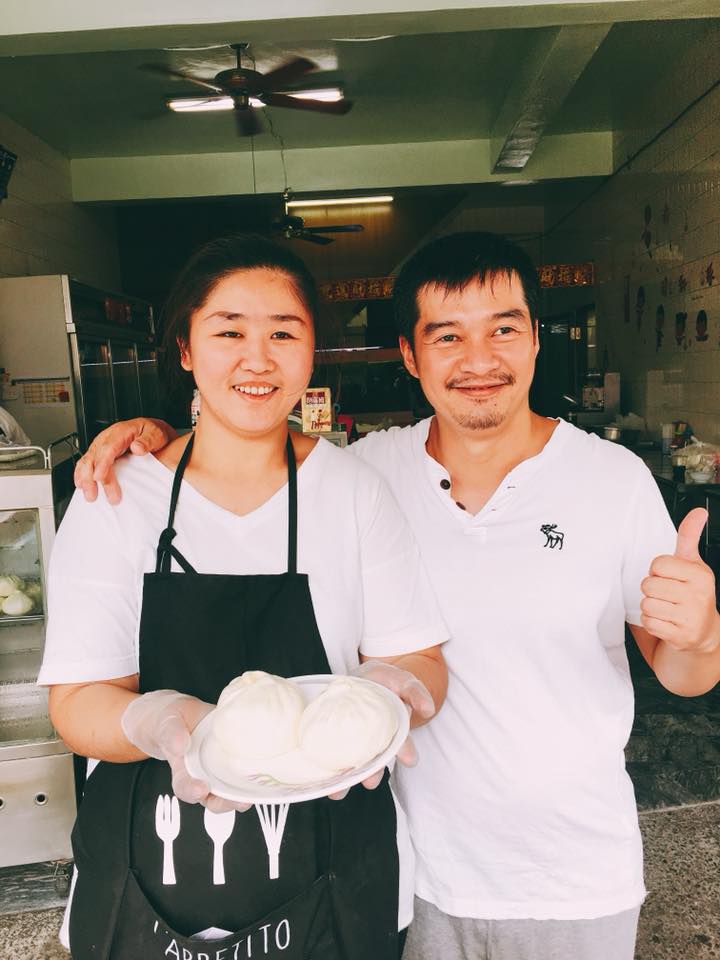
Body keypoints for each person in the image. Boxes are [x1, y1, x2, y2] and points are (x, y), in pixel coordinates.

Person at [75, 231, 720, 960]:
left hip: (574, 871)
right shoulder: (364, 475)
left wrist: (702, 636)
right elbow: (248, 461)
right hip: (410, 873)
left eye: (503, 329)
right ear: (411, 355)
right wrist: (157, 442)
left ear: (537, 338)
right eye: (447, 336)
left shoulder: (614, 480)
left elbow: (682, 673)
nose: (479, 360)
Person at [40, 234, 448, 960]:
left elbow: (418, 657)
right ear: (186, 349)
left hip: (336, 864)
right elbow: (76, 704)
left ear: (311, 351)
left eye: (283, 333)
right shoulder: (116, 497)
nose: (257, 359)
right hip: (146, 869)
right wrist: (155, 720)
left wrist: (395, 692)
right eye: (229, 332)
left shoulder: (353, 491)